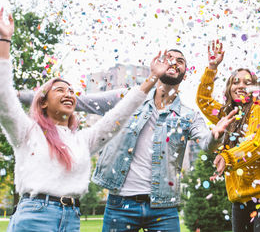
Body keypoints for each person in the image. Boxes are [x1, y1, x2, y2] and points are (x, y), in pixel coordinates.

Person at [0, 3, 170, 232]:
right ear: (42, 101)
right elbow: (1, 97)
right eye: (60, 90)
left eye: (72, 91)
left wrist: (152, 77)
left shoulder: (82, 140)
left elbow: (117, 116)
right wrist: (5, 41)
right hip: (34, 217)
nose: (69, 94)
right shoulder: (27, 131)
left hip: (72, 218)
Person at [18, 49, 236, 230]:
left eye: (180, 61)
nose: (174, 62)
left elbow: (207, 143)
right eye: (169, 58)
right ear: (158, 65)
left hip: (164, 207)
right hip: (120, 204)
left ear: (184, 74)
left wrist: (216, 136)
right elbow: (79, 101)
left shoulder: (189, 116)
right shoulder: (126, 98)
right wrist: (19, 96)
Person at [196, 40, 260, 232]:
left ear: (256, 88)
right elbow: (203, 101)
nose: (240, 86)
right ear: (229, 87)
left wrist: (227, 156)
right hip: (239, 199)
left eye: (248, 83)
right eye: (235, 82)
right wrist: (212, 67)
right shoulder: (228, 115)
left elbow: (254, 144)